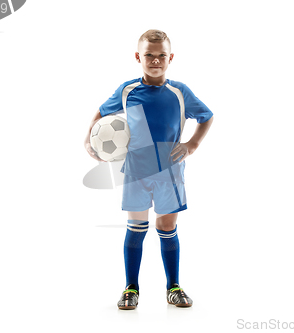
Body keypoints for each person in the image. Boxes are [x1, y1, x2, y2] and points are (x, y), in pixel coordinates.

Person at [84, 29, 214, 309]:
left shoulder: (179, 92)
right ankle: (131, 288)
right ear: (138, 57)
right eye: (149, 55)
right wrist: (88, 137)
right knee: (137, 227)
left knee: (167, 227)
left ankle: (174, 286)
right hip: (137, 170)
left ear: (171, 58)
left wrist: (192, 144)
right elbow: (101, 112)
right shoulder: (127, 90)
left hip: (170, 170)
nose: (155, 61)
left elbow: (206, 116)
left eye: (161, 56)